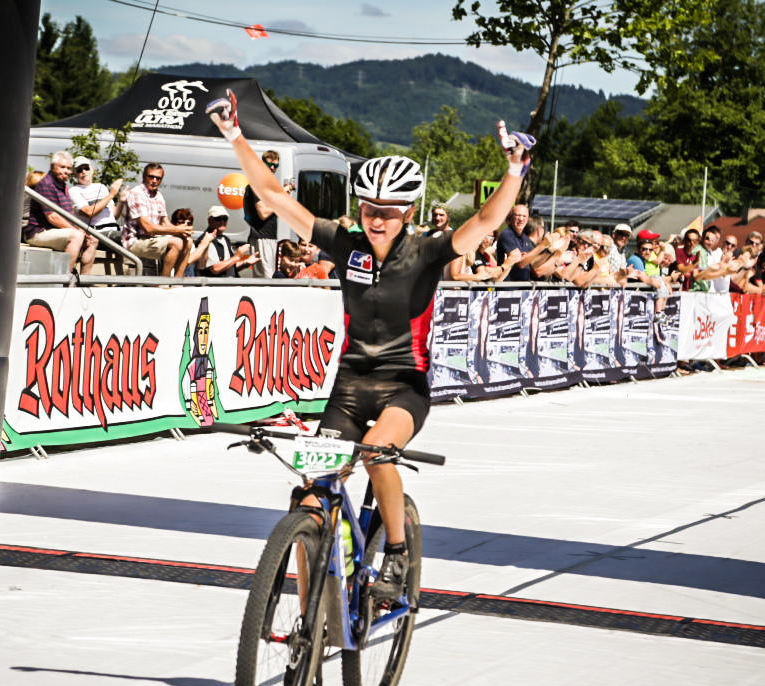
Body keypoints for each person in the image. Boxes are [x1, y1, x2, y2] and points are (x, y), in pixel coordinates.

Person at [207, 87, 533, 600]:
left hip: (403, 386)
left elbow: (487, 221)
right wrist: (234, 135)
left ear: (409, 210)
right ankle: (312, 619)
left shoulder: (426, 252)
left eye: (389, 211)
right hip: (348, 387)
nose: (376, 220)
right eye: (368, 209)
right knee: (309, 500)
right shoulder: (345, 244)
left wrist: (514, 170)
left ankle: (398, 553)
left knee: (379, 454)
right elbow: (274, 197)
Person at [22, 150, 98, 275]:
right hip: (37, 233)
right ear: (52, 167)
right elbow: (52, 217)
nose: (66, 171)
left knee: (93, 239)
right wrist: (77, 231)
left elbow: (68, 215)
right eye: (62, 167)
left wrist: (81, 230)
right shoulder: (46, 184)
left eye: (68, 168)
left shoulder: (63, 186)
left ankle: (85, 280)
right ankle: (64, 278)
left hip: (55, 230)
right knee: (77, 236)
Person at [121, 163, 193, 277]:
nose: (154, 181)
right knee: (177, 243)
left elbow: (165, 222)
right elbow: (148, 228)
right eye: (151, 177)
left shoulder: (159, 196)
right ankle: (164, 282)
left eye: (158, 178)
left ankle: (177, 282)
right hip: (135, 241)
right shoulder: (136, 193)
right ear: (144, 177)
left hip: (153, 239)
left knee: (188, 241)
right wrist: (177, 230)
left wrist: (183, 231)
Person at [242, 149, 283, 277]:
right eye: (269, 164)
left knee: (267, 277)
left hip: (268, 236)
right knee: (266, 278)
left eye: (276, 165)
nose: (272, 168)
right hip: (262, 236)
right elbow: (263, 213)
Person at [186, 206, 257, 278]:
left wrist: (246, 263)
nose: (222, 222)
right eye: (218, 218)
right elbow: (215, 269)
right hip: (215, 284)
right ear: (209, 220)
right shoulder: (206, 239)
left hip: (229, 282)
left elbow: (229, 266)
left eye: (225, 219)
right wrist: (237, 256)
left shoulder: (225, 239)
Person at [68, 157, 124, 244]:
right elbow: (89, 212)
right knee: (127, 239)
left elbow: (114, 215)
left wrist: (122, 201)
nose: (84, 172)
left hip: (114, 230)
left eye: (86, 168)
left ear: (92, 170)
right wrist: (111, 194)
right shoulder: (74, 191)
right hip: (97, 234)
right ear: (75, 175)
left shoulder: (102, 187)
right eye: (79, 170)